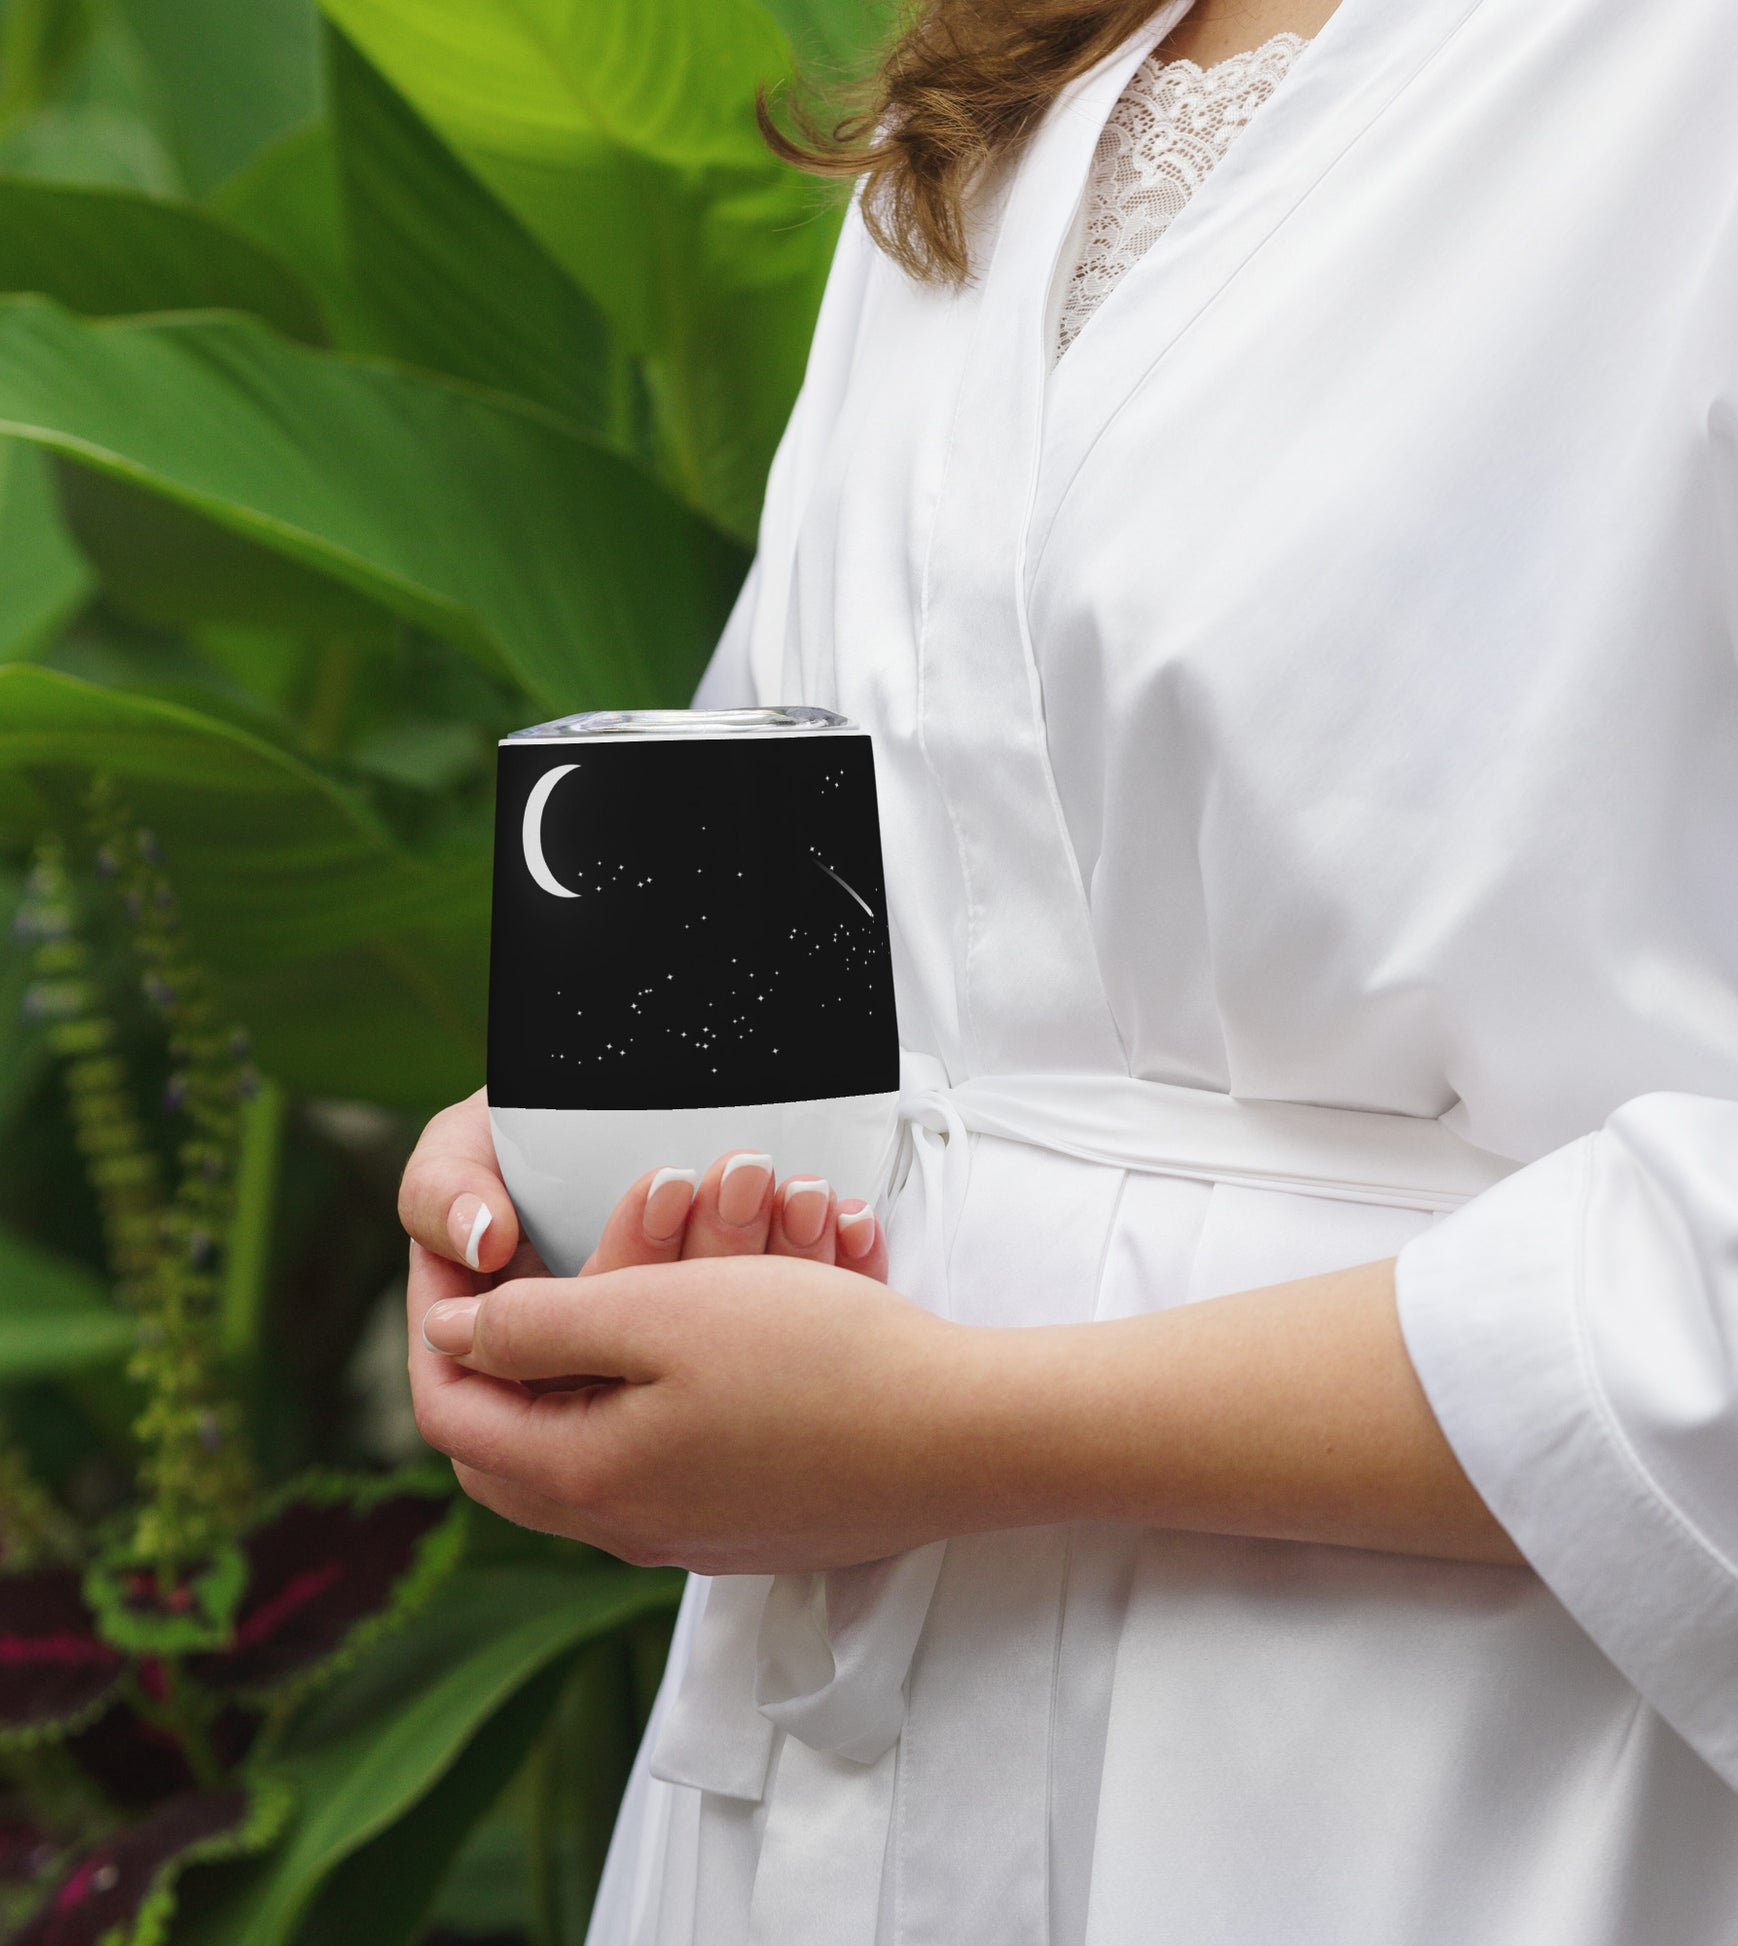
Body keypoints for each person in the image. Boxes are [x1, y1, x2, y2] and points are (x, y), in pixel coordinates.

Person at [398, 0, 1738, 1938]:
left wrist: (954, 1427)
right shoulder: (1011, 71)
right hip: (838, 1773)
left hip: (1455, 1775)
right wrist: (573, 1179)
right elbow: (869, 878)